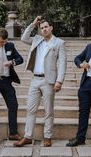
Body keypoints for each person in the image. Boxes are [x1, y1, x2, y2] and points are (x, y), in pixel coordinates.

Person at [13, 16, 67, 147]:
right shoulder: (37, 40)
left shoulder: (59, 43)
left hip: (49, 81)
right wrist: (33, 24)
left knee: (48, 110)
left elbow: (63, 64)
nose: (44, 29)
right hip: (35, 79)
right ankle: (27, 136)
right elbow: (24, 38)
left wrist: (59, 80)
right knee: (30, 110)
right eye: (41, 28)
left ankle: (47, 137)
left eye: (46, 27)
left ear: (51, 28)